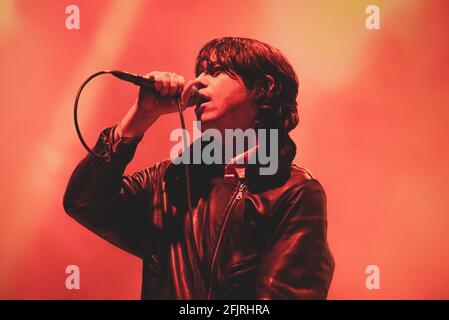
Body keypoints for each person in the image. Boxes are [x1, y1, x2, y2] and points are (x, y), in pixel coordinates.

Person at [63, 37, 335, 299]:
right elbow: (83, 202)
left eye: (215, 71)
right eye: (200, 71)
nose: (197, 82)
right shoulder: (171, 180)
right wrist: (141, 115)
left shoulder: (294, 193)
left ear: (263, 88)